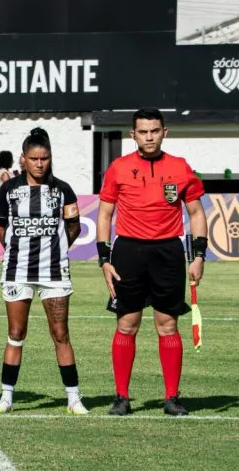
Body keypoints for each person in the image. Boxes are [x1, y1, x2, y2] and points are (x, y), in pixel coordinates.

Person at [96, 108, 207, 418]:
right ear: (133, 134)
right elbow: (104, 214)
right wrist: (104, 260)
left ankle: (172, 398)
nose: (149, 136)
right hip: (128, 253)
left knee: (167, 324)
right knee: (127, 324)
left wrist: (199, 256)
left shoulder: (180, 168)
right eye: (142, 131)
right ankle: (121, 397)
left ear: (164, 132)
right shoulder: (118, 168)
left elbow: (196, 213)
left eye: (154, 130)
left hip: (168, 253)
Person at [0, 128, 89, 415]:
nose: (40, 164)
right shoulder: (9, 190)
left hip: (54, 272)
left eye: (44, 158)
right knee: (16, 333)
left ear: (50, 158)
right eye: (34, 158)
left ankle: (73, 399)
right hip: (17, 270)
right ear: (24, 159)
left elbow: (74, 226)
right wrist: (13, 247)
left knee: (60, 333)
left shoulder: (63, 189)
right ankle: (6, 397)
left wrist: (56, 250)